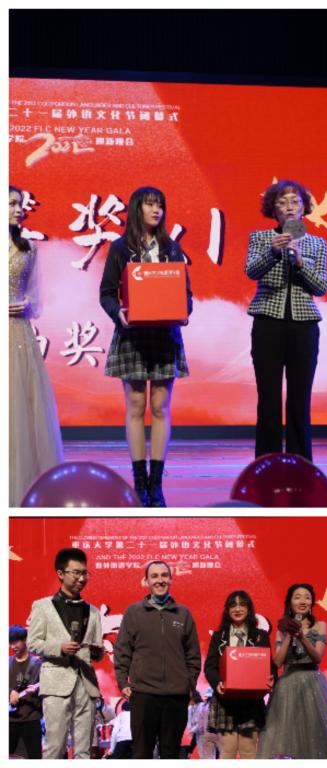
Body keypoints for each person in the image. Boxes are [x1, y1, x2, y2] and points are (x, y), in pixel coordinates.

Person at [99, 186, 192, 507]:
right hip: (133, 336)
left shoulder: (171, 247)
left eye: (160, 205)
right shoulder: (120, 248)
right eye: (150, 205)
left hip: (165, 335)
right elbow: (107, 293)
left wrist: (184, 312)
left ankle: (157, 484)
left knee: (161, 407)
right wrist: (118, 313)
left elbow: (185, 291)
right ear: (137, 208)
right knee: (136, 406)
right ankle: (140, 482)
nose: (157, 210)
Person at [245, 180, 327, 461]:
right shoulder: (261, 238)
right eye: (282, 202)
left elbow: (321, 287)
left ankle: (300, 462)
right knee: (268, 398)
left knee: (299, 398)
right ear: (273, 210)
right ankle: (267, 462)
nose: (289, 207)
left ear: (304, 208)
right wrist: (272, 251)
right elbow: (251, 271)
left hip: (304, 326)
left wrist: (300, 262)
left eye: (295, 201)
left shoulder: (317, 243)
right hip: (268, 323)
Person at [113, 560, 201, 759]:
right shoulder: (134, 612)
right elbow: (122, 650)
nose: (160, 580)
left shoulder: (183, 614)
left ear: (171, 579)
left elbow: (193, 655)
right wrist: (122, 682)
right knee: (142, 753)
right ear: (146, 581)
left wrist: (189, 685)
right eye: (154, 576)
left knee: (171, 754)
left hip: (176, 697)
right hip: (143, 695)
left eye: (164, 575)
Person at [9, 185, 63, 506]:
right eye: (11, 204)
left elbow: (35, 295)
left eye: (20, 204)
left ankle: (24, 484)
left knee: (24, 408)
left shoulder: (29, 247)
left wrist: (27, 303)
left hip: (19, 335)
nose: (19, 210)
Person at [27, 547, 105, 759]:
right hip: (56, 684)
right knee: (55, 747)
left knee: (84, 750)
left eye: (85, 573)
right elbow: (33, 642)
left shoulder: (93, 611)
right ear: (60, 573)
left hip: (86, 685)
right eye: (76, 573)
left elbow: (97, 651)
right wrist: (58, 647)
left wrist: (97, 652)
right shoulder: (42, 606)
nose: (82, 578)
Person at [257, 583, 327, 758]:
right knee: (284, 735)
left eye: (307, 597)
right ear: (290, 602)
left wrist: (302, 637)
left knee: (315, 736)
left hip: (313, 683)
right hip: (287, 685)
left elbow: (317, 657)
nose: (303, 601)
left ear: (312, 602)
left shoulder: (320, 625)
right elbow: (278, 662)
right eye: (298, 597)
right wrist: (289, 635)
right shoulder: (282, 630)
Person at [203, 591, 273, 759]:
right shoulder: (219, 636)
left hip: (251, 703)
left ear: (249, 609)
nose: (238, 609)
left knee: (249, 751)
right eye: (233, 605)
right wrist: (217, 683)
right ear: (227, 610)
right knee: (227, 751)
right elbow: (210, 667)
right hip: (225, 701)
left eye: (242, 604)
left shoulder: (260, 636)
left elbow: (269, 666)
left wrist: (271, 680)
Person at [8, 624, 43, 759]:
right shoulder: (6, 663)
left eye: (16, 642)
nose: (13, 646)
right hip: (9, 720)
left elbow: (47, 687)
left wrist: (37, 689)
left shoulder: (37, 664)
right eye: (10, 643)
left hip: (31, 718)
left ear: (25, 640)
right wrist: (10, 692)